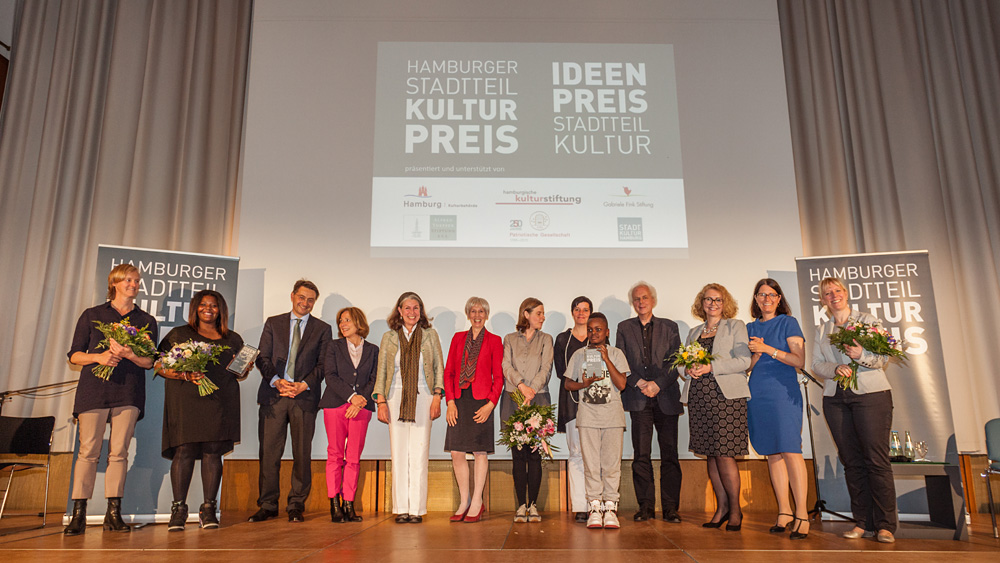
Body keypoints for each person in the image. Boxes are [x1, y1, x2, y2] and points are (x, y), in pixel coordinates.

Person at [65, 264, 158, 535]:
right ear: (115, 283)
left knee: (119, 453)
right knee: (88, 452)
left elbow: (150, 362)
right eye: (128, 280)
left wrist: (130, 354)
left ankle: (113, 513)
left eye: (137, 281)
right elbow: (74, 355)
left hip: (128, 392)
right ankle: (78, 514)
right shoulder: (93, 314)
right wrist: (99, 357)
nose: (134, 284)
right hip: (93, 390)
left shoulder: (146, 320)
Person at [812, 277, 898, 544]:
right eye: (827, 293)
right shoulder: (823, 328)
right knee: (851, 462)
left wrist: (860, 354)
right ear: (822, 300)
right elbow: (816, 364)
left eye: (837, 290)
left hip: (871, 396)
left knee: (876, 460)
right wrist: (835, 369)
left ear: (845, 294)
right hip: (836, 398)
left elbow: (883, 358)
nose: (833, 295)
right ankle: (862, 522)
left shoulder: (868, 321)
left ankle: (885, 526)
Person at [156, 290, 244, 531]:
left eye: (214, 305)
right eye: (203, 305)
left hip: (220, 401)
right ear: (195, 308)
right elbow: (159, 364)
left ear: (220, 310)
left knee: (213, 452)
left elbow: (239, 372)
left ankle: (208, 509)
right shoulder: (179, 334)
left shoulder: (232, 338)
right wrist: (183, 374)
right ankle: (179, 509)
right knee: (184, 450)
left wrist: (244, 369)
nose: (208, 309)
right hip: (185, 400)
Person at [251, 279, 332, 523]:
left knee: (302, 454)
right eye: (302, 297)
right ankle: (267, 504)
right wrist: (276, 380)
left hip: (304, 398)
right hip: (274, 396)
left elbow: (324, 364)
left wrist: (303, 384)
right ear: (292, 296)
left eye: (310, 300)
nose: (305, 303)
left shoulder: (322, 329)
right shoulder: (273, 323)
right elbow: (261, 357)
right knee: (269, 453)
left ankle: (296, 504)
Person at [679, 284, 751, 531]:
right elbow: (681, 364)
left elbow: (745, 360)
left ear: (725, 303)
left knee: (725, 453)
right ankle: (720, 509)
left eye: (718, 300)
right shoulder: (694, 331)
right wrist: (686, 369)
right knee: (710, 453)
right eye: (708, 299)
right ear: (701, 303)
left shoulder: (735, 326)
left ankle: (735, 511)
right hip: (700, 397)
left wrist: (710, 367)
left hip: (726, 398)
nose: (712, 303)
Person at [373, 292, 445, 523]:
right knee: (399, 453)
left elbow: (438, 367)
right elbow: (382, 370)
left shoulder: (430, 336)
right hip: (395, 398)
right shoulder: (389, 337)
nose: (412, 312)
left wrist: (436, 396)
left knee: (419, 453)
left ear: (421, 311)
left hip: (423, 397)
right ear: (400, 311)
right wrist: (381, 401)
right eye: (407, 308)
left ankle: (417, 509)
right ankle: (401, 507)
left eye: (416, 308)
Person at [745, 278, 809, 539]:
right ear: (756, 299)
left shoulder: (788, 323)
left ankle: (802, 514)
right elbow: (746, 367)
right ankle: (784, 512)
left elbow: (798, 360)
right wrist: (755, 356)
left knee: (791, 450)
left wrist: (766, 348)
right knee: (772, 453)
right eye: (761, 295)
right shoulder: (748, 326)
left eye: (772, 295)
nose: (766, 299)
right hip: (758, 393)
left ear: (779, 298)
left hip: (783, 392)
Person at [616, 281, 683, 522]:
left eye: (644, 298)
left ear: (653, 300)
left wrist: (658, 384)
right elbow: (620, 362)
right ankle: (645, 506)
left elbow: (677, 361)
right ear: (632, 303)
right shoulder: (624, 328)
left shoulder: (670, 327)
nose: (641, 302)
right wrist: (640, 383)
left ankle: (670, 508)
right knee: (641, 455)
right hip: (638, 399)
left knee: (670, 455)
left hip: (665, 397)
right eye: (636, 299)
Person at [564, 313, 630, 530]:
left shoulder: (617, 353)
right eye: (590, 329)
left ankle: (610, 507)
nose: (593, 333)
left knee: (611, 464)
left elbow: (622, 384)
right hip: (588, 417)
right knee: (591, 464)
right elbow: (567, 385)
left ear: (607, 332)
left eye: (598, 329)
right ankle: (594, 507)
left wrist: (606, 359)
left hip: (612, 416)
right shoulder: (579, 354)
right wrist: (584, 384)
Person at [443, 297, 504, 523]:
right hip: (459, 401)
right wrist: (450, 402)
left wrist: (490, 404)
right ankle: (464, 500)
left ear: (486, 315)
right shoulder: (458, 339)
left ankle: (477, 501)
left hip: (482, 402)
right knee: (457, 452)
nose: (477, 315)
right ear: (468, 314)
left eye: (481, 311)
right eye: (473, 311)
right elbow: (449, 372)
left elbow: (499, 377)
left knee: (479, 452)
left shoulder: (495, 341)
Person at [318, 307, 378, 523]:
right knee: (335, 455)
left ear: (359, 322)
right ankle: (335, 504)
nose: (343, 324)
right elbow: (330, 376)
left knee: (353, 458)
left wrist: (360, 400)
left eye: (347, 320)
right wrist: (352, 396)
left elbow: (374, 378)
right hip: (335, 405)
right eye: (340, 321)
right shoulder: (333, 346)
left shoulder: (373, 350)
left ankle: (349, 504)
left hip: (361, 408)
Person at [501, 297, 553, 523]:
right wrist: (522, 386)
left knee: (534, 455)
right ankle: (520, 505)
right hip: (513, 398)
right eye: (539, 313)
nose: (542, 317)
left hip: (538, 399)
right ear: (526, 314)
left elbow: (547, 368)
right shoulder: (510, 339)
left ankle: (533, 505)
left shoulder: (546, 339)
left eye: (543, 314)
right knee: (518, 456)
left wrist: (531, 390)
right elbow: (505, 366)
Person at [554, 296, 592, 523]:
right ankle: (580, 505)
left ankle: (596, 502)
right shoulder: (562, 339)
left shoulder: (597, 335)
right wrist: (583, 380)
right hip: (570, 401)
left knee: (594, 455)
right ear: (572, 312)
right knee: (576, 453)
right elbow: (562, 372)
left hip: (595, 403)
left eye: (585, 310)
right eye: (577, 309)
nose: (581, 313)